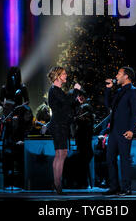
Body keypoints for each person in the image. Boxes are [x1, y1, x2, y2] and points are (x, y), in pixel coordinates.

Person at [103, 66, 136, 195]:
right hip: (114, 130)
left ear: (126, 76)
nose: (116, 76)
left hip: (125, 130)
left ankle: (126, 188)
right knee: (109, 158)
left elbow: (135, 113)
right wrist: (108, 90)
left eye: (119, 74)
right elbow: (108, 105)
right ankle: (114, 187)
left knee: (124, 159)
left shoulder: (133, 91)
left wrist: (132, 130)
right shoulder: (119, 91)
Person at [47, 66, 81, 194]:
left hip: (60, 124)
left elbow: (67, 105)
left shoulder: (57, 90)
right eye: (64, 73)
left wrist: (76, 100)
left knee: (60, 154)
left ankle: (56, 183)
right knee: (61, 153)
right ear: (57, 76)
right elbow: (67, 102)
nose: (66, 75)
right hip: (58, 125)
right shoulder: (55, 90)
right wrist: (76, 91)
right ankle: (57, 184)